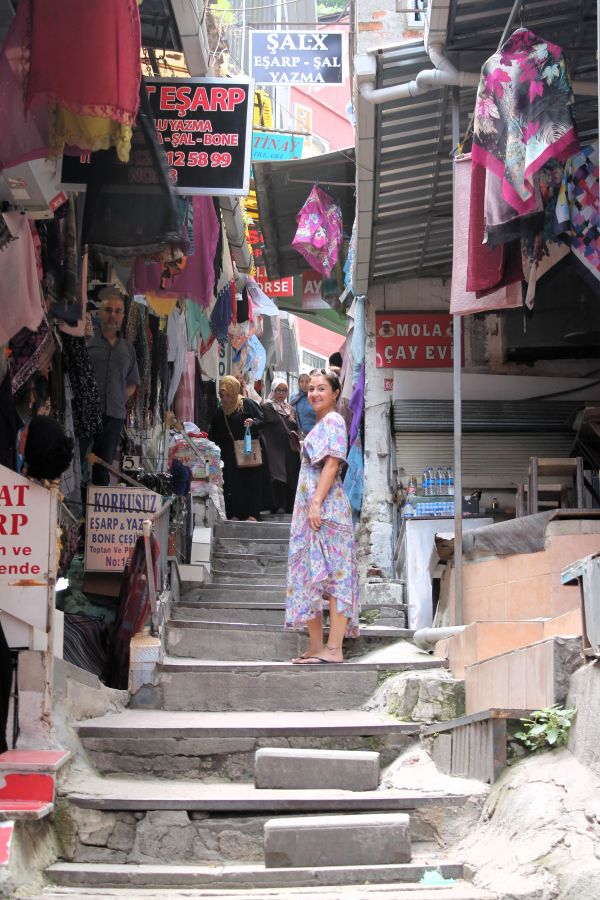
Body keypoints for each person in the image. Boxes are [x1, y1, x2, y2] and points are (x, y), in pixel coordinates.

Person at [285, 369, 359, 664]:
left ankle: (334, 648)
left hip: (326, 509)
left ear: (335, 393)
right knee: (308, 575)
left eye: (321, 389)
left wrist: (316, 503)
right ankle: (316, 647)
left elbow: (332, 464)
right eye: (311, 389)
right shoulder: (320, 423)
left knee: (336, 574)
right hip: (310, 509)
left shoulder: (334, 420)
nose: (315, 394)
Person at [85, 288, 139, 485]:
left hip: (114, 416)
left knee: (103, 466)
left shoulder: (128, 350)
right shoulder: (88, 344)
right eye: (108, 310)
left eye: (117, 311)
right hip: (87, 413)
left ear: (123, 317)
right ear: (100, 313)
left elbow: (133, 383)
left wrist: (119, 397)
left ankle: (96, 512)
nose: (112, 315)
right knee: (80, 461)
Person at [209, 375, 270, 521]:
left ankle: (252, 514)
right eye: (222, 395)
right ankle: (235, 513)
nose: (225, 399)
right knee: (233, 484)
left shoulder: (247, 404)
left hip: (248, 450)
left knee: (251, 482)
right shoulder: (220, 412)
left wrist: (253, 422)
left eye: (228, 395)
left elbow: (263, 420)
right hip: (229, 456)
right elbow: (214, 434)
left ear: (235, 392)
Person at [261, 378, 301, 514]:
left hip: (289, 448)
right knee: (277, 475)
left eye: (284, 390)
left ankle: (288, 505)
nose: (281, 393)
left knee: (290, 474)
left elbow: (296, 426)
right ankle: (277, 505)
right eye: (278, 390)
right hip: (274, 447)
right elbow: (269, 420)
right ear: (273, 390)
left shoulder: (290, 408)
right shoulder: (267, 406)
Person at [290, 373, 316, 437]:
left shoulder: (314, 397)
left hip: (313, 434)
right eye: (302, 381)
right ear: (298, 382)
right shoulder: (293, 397)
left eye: (307, 381)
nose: (304, 384)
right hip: (298, 434)